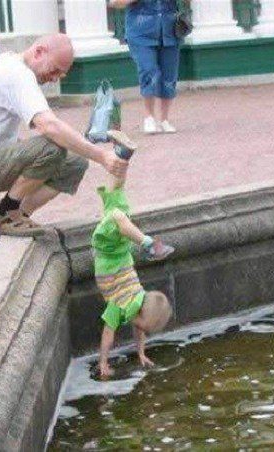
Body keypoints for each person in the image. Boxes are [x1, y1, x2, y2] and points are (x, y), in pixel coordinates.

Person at [0, 33, 129, 240]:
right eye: (54, 70)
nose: (54, 78)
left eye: (60, 75)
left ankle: (19, 217)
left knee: (75, 162)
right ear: (39, 52)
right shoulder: (16, 73)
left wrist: (88, 152)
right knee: (52, 147)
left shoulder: (10, 62)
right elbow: (49, 127)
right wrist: (102, 156)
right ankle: (7, 215)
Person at [92, 130, 174, 378]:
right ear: (139, 315)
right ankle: (147, 243)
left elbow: (138, 331)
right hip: (107, 253)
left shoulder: (139, 301)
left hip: (118, 254)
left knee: (116, 195)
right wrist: (103, 362)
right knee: (116, 215)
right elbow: (108, 333)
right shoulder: (121, 305)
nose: (141, 332)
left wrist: (141, 353)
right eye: (144, 327)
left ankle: (123, 155)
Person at [109, 0, 181, 134]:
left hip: (169, 30)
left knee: (169, 76)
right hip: (140, 33)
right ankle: (149, 117)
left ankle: (164, 119)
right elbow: (114, 2)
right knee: (148, 70)